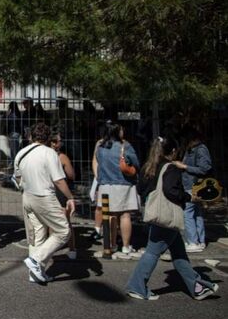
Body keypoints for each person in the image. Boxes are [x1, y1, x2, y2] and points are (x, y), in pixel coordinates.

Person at [124, 137, 219, 300]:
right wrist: (188, 197)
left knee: (180, 255)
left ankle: (197, 287)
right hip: (167, 217)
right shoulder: (171, 168)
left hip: (158, 216)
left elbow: (141, 188)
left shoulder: (150, 167)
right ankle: (136, 286)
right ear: (173, 151)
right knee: (152, 252)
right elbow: (170, 190)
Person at [15, 122, 76, 285]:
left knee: (38, 233)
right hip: (44, 196)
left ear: (31, 136)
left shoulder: (21, 153)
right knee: (63, 231)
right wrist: (70, 197)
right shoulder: (49, 153)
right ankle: (36, 260)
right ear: (48, 137)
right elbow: (59, 180)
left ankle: (35, 273)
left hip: (27, 196)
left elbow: (17, 177)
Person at [94, 122, 141, 259]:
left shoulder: (101, 147)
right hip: (123, 183)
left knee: (110, 216)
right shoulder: (124, 146)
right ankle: (126, 246)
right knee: (125, 215)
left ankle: (111, 244)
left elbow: (98, 161)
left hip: (105, 184)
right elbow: (136, 162)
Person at [175, 126, 212, 252]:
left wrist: (184, 166)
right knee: (196, 213)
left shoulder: (200, 149)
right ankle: (200, 240)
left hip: (194, 186)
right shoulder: (191, 149)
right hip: (190, 185)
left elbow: (204, 168)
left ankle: (193, 241)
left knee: (188, 213)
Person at [49, 130, 78, 258]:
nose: (59, 143)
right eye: (57, 141)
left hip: (48, 190)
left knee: (49, 221)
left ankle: (51, 248)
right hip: (60, 191)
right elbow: (71, 175)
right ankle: (72, 249)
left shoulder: (44, 155)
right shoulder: (62, 157)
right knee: (66, 221)